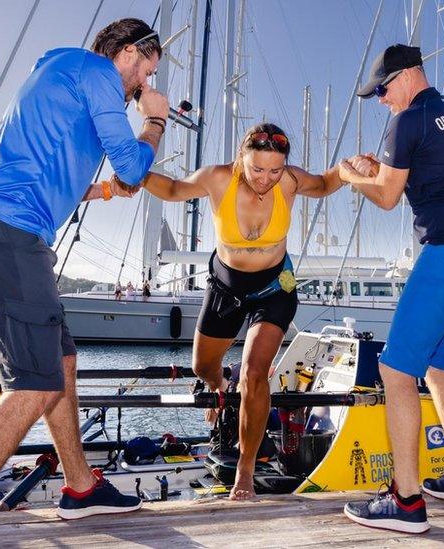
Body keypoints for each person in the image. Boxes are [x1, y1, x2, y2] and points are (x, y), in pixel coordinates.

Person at [0, 18, 170, 548]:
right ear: (130, 53)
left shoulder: (61, 71)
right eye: (146, 72)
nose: (142, 87)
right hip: (9, 235)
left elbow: (46, 172)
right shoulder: (101, 73)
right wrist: (154, 123)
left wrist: (100, 191)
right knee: (33, 384)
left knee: (60, 362)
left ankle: (80, 486)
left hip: (3, 228)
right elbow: (132, 165)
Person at [338, 44, 444, 534]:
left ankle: (406, 500)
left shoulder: (408, 119)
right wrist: (380, 172)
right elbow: (429, 175)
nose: (383, 100)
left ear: (407, 75)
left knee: (394, 369)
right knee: (439, 367)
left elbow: (387, 197)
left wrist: (351, 176)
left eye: (384, 90)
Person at [134, 122, 348, 499]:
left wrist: (348, 171)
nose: (266, 178)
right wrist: (136, 174)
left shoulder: (290, 182)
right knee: (203, 366)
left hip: (273, 290)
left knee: (254, 373)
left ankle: (245, 472)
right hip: (226, 289)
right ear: (240, 159)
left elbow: (326, 183)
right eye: (257, 168)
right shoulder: (217, 179)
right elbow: (171, 189)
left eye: (275, 169)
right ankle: (220, 385)